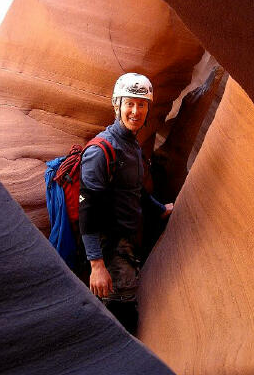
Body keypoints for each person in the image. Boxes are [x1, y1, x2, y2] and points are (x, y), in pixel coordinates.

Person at [78, 73, 173, 333]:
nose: (135, 111)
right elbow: (87, 209)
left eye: (142, 104)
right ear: (116, 104)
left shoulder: (131, 145)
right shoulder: (101, 150)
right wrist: (96, 265)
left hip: (130, 243)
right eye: (129, 103)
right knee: (120, 317)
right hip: (110, 251)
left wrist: (159, 209)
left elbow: (135, 190)